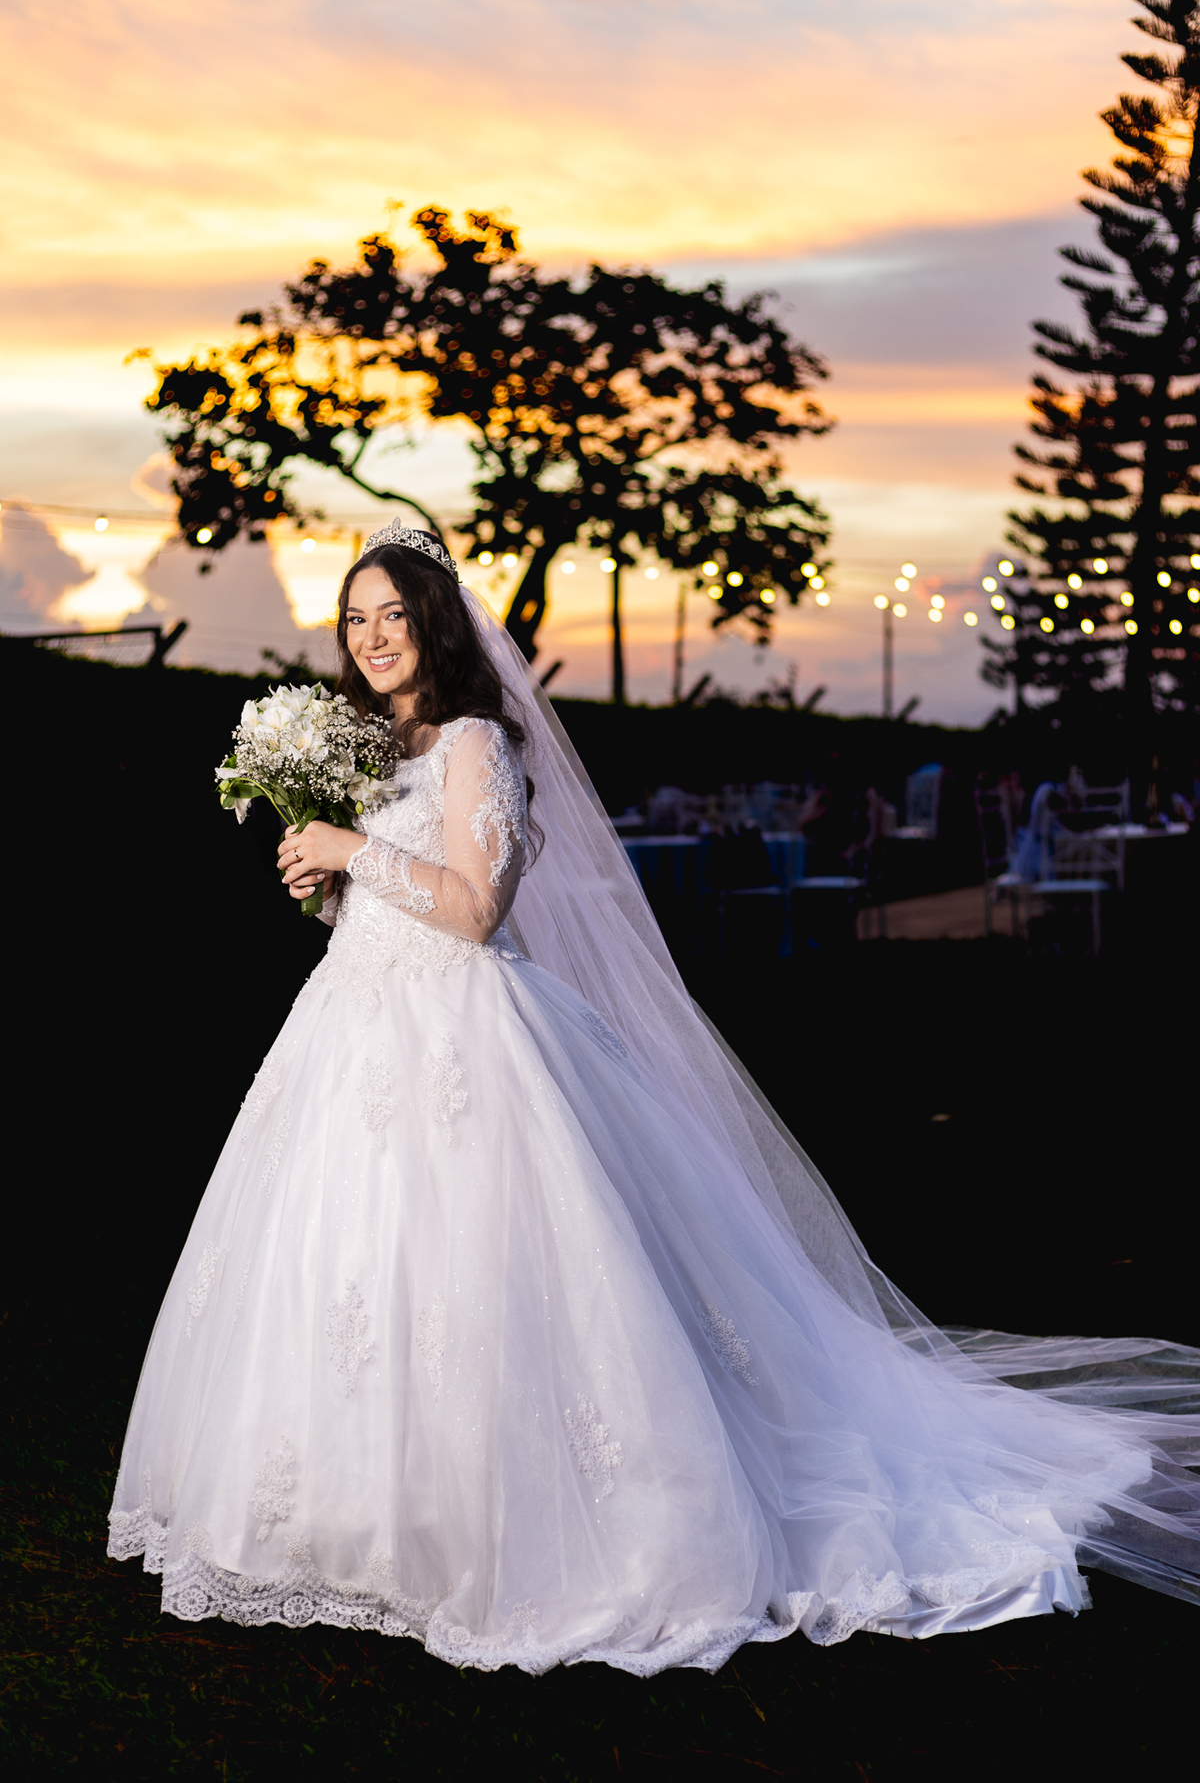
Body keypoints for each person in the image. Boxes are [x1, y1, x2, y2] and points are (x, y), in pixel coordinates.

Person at [108, 522, 1200, 1675]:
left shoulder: (479, 740)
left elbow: (476, 907)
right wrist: (326, 874)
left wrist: (349, 846)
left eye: (394, 616)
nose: (374, 638)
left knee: (482, 1281)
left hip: (466, 1043)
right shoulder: (368, 750)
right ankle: (349, 1527)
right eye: (356, 620)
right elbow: (391, 899)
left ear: (436, 625)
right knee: (341, 1277)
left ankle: (519, 1533)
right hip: (351, 1034)